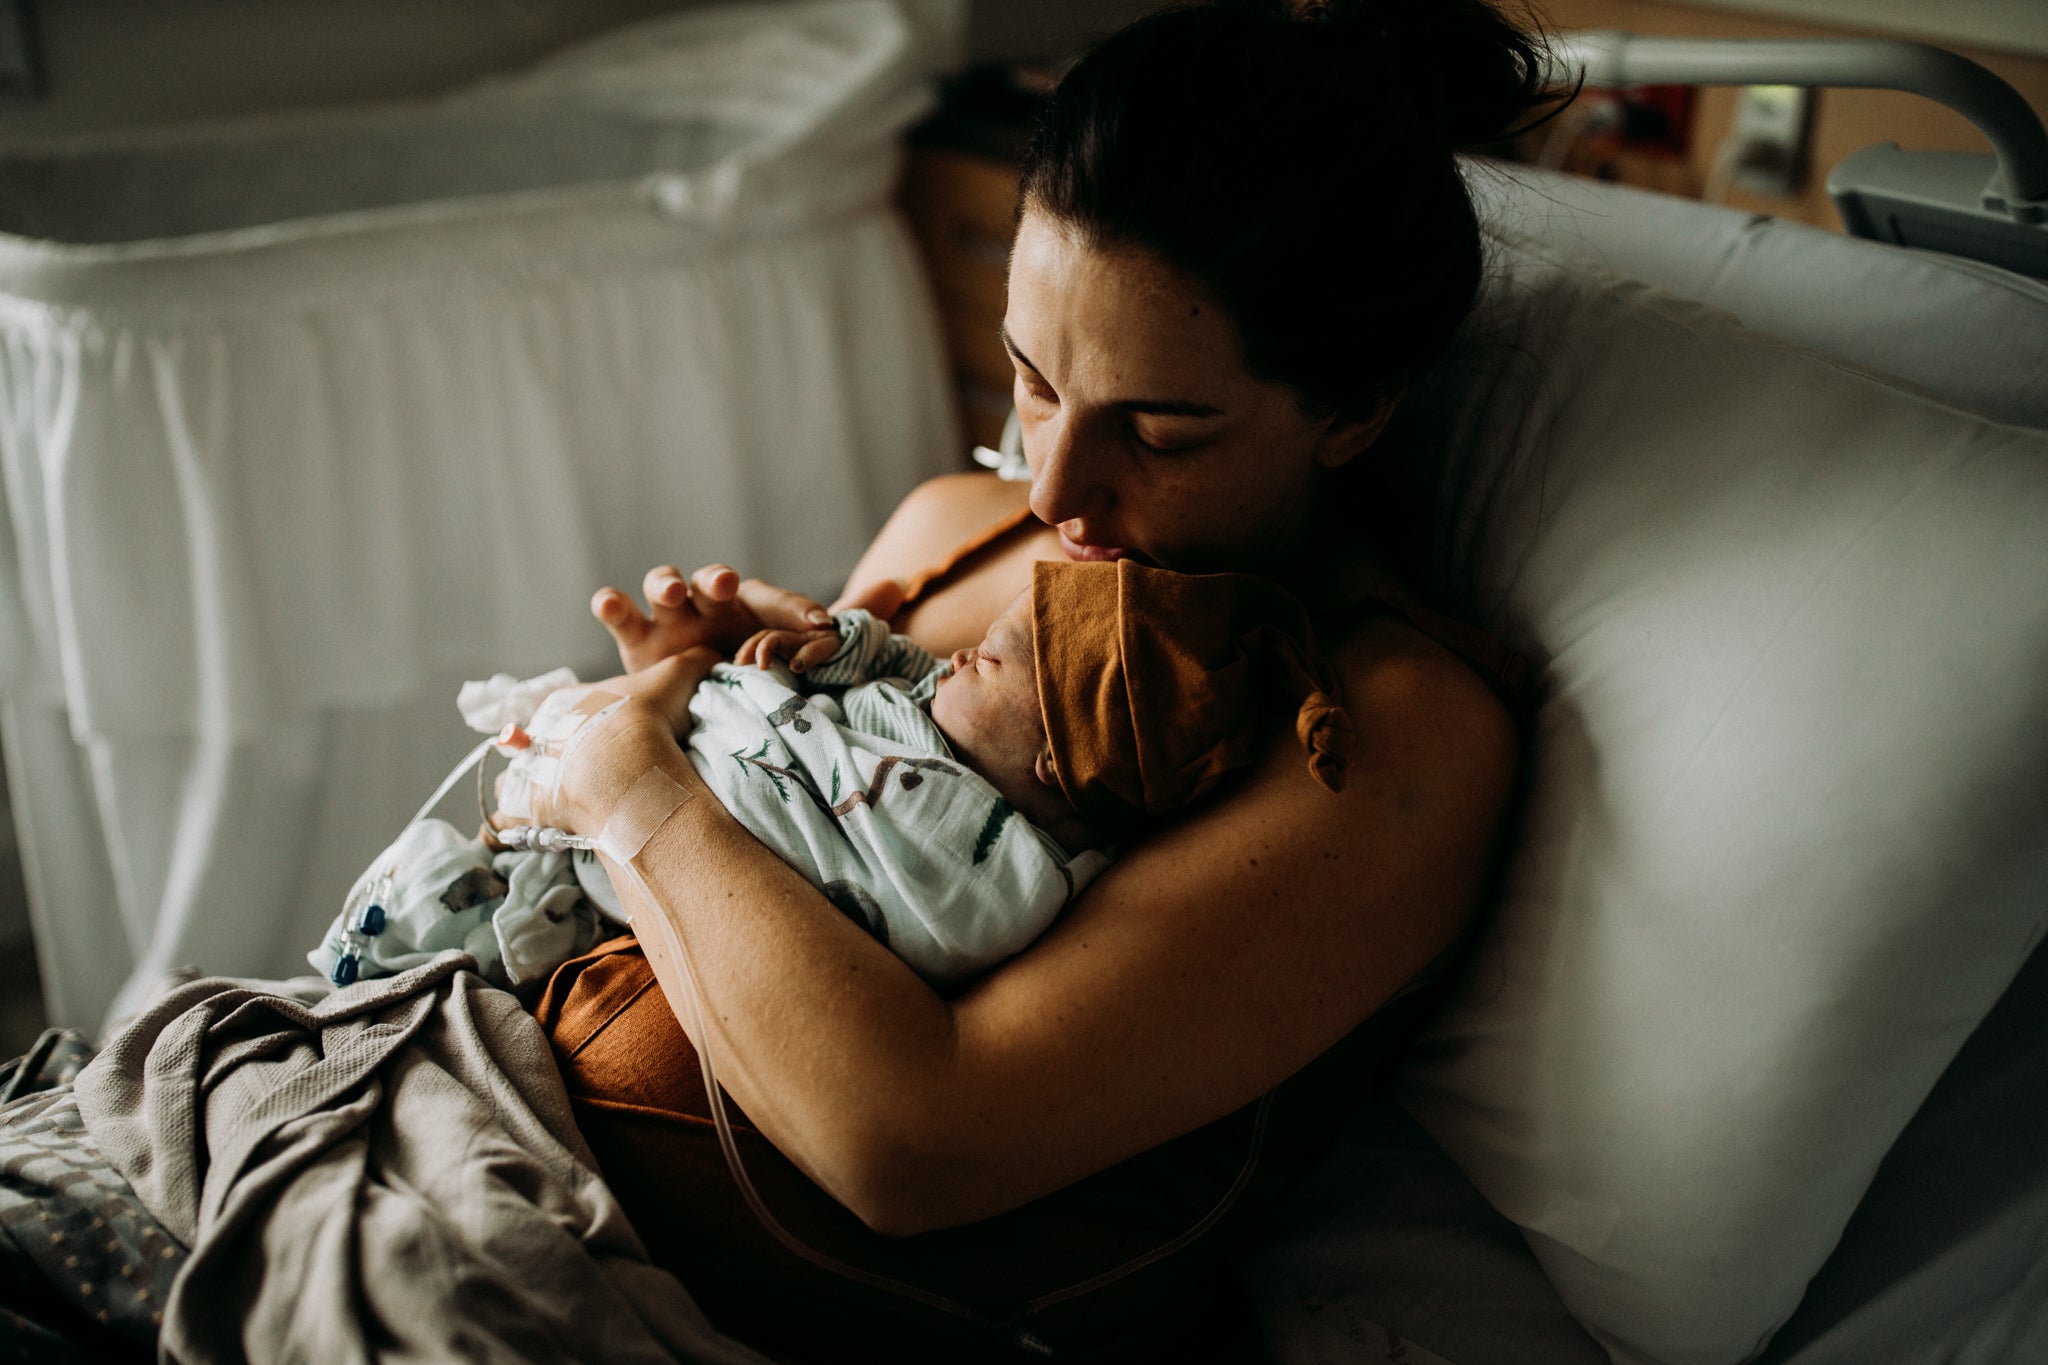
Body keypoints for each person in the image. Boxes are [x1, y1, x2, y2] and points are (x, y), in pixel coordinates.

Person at [516, 0, 1553, 1359]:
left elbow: (909, 1142)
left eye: (1163, 432)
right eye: (1035, 380)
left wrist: (629, 789)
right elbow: (792, 846)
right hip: (466, 1096)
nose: (1059, 487)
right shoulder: (958, 525)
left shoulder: (1386, 736)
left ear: (1353, 410)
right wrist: (710, 698)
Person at [317, 560, 1349, 993]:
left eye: (984, 662)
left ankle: (359, 984)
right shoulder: (949, 725)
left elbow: (820, 827)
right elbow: (891, 665)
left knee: (437, 936)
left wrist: (671, 746)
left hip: (604, 888)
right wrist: (804, 656)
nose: (954, 658)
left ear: (1048, 765)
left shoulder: (982, 866)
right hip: (612, 792)